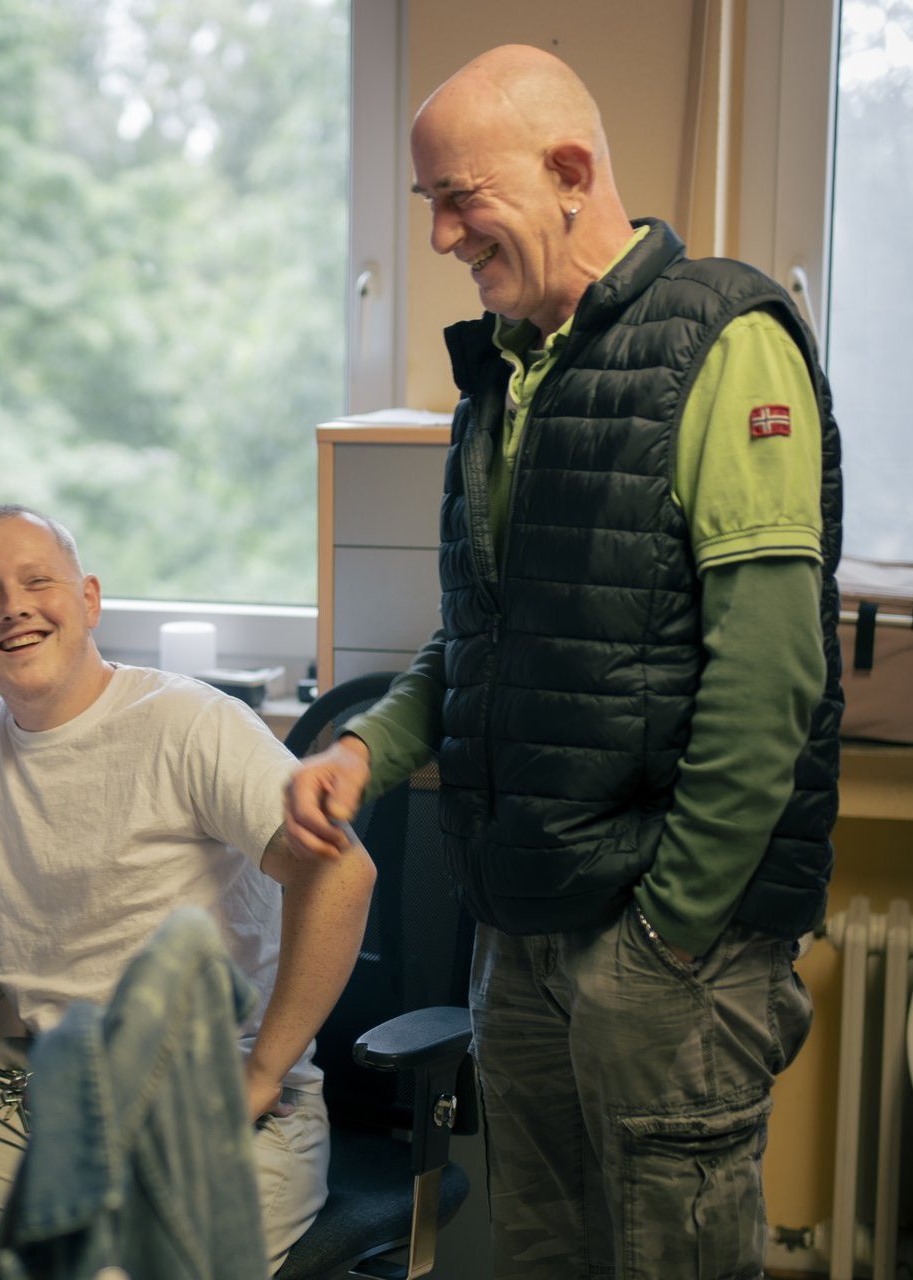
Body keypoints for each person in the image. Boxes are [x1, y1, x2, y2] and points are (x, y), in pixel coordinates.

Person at [284, 44, 842, 1280]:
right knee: (537, 1251)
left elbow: (767, 669)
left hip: (657, 938)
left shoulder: (723, 338)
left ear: (570, 173)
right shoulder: (507, 371)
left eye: (454, 198)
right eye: (427, 203)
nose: (438, 237)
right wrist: (365, 750)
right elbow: (480, 634)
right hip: (520, 925)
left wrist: (672, 931)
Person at [0, 504, 376, 1275]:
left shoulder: (189, 724)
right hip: (45, 1108)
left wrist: (259, 1074)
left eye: (36, 581)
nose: (14, 606)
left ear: (87, 600)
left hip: (222, 1114)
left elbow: (341, 873)